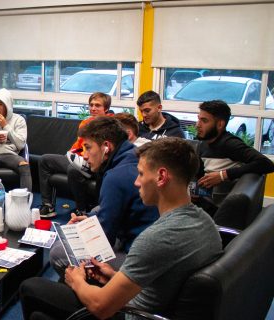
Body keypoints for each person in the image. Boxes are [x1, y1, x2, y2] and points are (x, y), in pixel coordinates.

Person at [20, 137, 223, 319]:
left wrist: (76, 282)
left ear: (161, 177)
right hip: (155, 305)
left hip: (130, 314)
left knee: (31, 287)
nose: (136, 182)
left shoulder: (157, 237)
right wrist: (112, 275)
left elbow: (101, 306)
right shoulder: (206, 222)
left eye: (141, 174)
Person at [48, 116, 158, 275]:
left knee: (59, 251)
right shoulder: (134, 156)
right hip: (149, 243)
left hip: (139, 261)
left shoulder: (116, 177)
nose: (84, 156)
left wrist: (81, 231)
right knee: (95, 212)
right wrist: (91, 221)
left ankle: (87, 294)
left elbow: (104, 239)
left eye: (88, 147)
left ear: (106, 146)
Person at [38, 92, 111, 217]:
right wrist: (70, 155)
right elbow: (78, 146)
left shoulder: (110, 125)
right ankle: (47, 206)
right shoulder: (85, 123)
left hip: (96, 164)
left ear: (106, 109)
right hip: (77, 159)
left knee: (72, 169)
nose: (93, 108)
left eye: (97, 106)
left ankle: (81, 210)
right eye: (91, 105)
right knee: (45, 160)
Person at [195, 100, 274, 202]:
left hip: (215, 208)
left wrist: (222, 175)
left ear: (220, 124)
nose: (197, 125)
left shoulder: (230, 144)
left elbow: (266, 164)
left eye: (204, 121)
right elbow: (199, 175)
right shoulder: (204, 144)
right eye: (198, 119)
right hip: (204, 200)